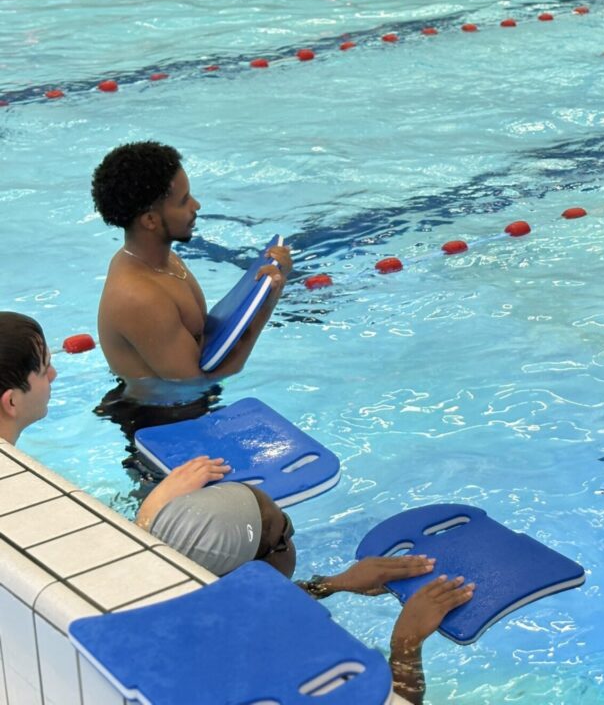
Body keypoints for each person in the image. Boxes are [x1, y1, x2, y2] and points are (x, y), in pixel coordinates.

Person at [0, 310, 473, 705]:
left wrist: (332, 586)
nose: (55, 374)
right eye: (278, 535)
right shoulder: (260, 668)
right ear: (11, 400)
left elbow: (223, 611)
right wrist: (407, 643)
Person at [92, 141, 292, 397]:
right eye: (183, 201)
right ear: (150, 220)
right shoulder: (139, 298)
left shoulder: (165, 260)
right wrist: (268, 305)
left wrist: (263, 290)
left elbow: (209, 336)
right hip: (160, 422)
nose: (195, 205)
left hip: (182, 405)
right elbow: (196, 385)